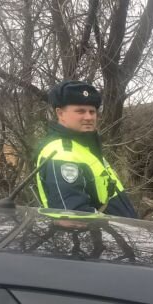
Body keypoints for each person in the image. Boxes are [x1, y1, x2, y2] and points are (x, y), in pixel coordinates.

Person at [36, 80, 137, 218]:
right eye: (80, 111)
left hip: (120, 229)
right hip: (102, 231)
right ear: (60, 114)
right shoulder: (61, 153)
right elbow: (73, 216)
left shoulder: (83, 147)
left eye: (92, 111)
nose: (89, 117)